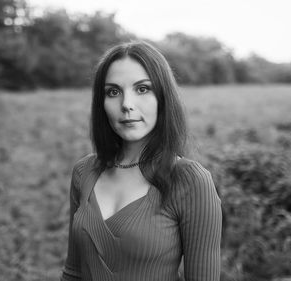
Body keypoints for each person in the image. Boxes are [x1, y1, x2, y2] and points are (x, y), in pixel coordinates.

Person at [60, 41, 222, 281]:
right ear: (101, 103)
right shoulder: (84, 172)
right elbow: (73, 273)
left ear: (163, 98)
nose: (126, 105)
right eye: (113, 92)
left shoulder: (189, 180)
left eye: (143, 89)